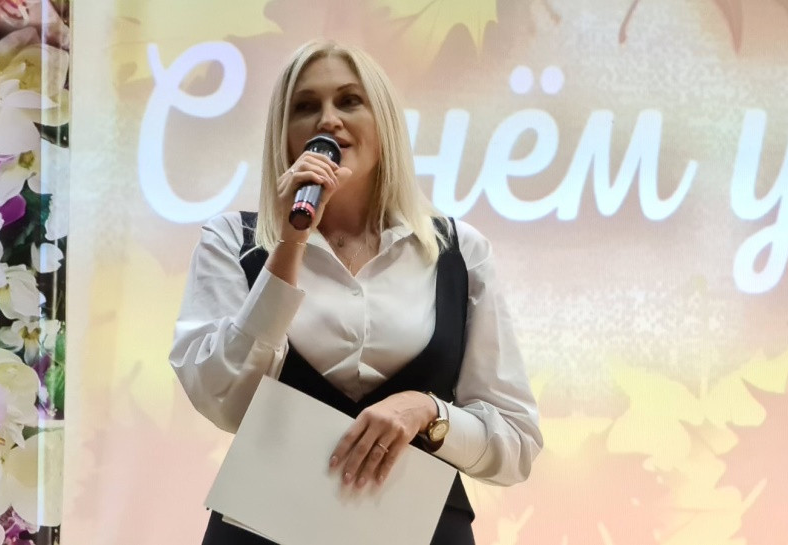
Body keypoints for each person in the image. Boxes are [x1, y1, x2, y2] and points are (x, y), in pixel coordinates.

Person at [170, 39, 543, 545]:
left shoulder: (458, 251)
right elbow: (225, 403)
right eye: (305, 106)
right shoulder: (232, 240)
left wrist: (428, 413)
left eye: (349, 101)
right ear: (283, 135)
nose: (328, 120)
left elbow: (516, 441)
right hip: (265, 527)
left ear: (383, 123)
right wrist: (290, 243)